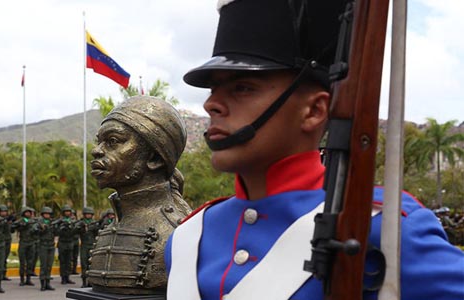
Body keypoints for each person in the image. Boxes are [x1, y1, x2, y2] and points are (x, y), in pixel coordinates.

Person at [164, 1, 464, 299]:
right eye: (213, 89)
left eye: (243, 87)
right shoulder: (189, 238)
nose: (211, 104)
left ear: (314, 111)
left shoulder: (384, 227)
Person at [88, 95, 190, 294]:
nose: (96, 151)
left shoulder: (178, 235)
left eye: (113, 141)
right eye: (99, 142)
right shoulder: (115, 224)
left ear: (154, 158)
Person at [75, 206, 100, 287]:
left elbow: (98, 233)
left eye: (90, 214)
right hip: (84, 245)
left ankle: (90, 282)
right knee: (84, 264)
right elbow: (75, 231)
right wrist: (81, 227)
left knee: (91, 264)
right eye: (87, 214)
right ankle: (84, 281)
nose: (88, 215)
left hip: (92, 245)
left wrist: (95, 228)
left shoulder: (94, 223)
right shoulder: (81, 223)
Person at [13, 206, 37, 286]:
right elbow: (13, 227)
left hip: (31, 243)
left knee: (30, 262)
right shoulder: (20, 221)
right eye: (26, 212)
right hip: (23, 242)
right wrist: (21, 225)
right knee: (22, 262)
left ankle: (28, 278)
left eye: (29, 212)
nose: (28, 214)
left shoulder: (33, 221)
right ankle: (22, 279)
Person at [54, 204, 76, 285]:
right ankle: (63, 277)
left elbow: (75, 232)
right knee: (62, 261)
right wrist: (62, 227)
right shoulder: (60, 221)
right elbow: (56, 232)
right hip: (62, 242)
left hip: (70, 242)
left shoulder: (72, 221)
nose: (67, 213)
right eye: (66, 211)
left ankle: (68, 277)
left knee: (69, 261)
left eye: (68, 211)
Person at [35, 206, 55, 291]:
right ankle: (42, 283)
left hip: (51, 245)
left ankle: (48, 283)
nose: (47, 215)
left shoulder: (52, 222)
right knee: (43, 265)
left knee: (49, 265)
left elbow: (57, 232)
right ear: (43, 214)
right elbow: (35, 230)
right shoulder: (39, 222)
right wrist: (42, 229)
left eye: (48, 214)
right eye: (45, 214)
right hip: (43, 245)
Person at [0, 204, 13, 281]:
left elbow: (12, 230)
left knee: (5, 258)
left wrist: (10, 223)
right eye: (2, 212)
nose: (4, 213)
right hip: (0, 241)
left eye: (5, 212)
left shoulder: (7, 220)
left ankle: (3, 273)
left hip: (7, 240)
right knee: (0, 258)